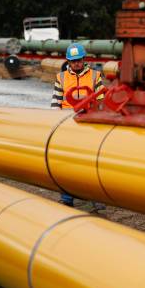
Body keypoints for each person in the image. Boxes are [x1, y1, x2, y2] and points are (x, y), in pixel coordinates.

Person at [51, 43, 105, 209]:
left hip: (89, 123)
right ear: (68, 61)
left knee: (91, 162)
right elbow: (56, 103)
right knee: (66, 163)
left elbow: (101, 100)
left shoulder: (96, 76)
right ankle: (67, 199)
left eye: (79, 60)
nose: (76, 64)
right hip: (68, 124)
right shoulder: (61, 77)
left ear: (84, 59)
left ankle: (96, 199)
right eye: (73, 61)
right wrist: (57, 124)